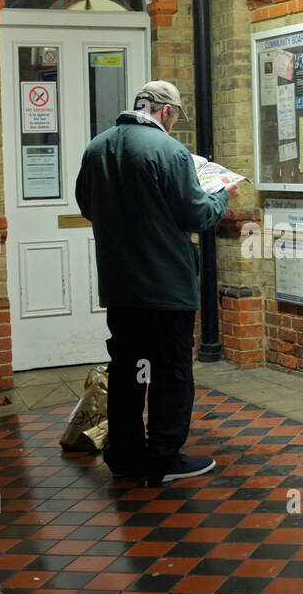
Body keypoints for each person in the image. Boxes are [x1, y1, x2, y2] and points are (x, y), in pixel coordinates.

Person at [76, 80, 239, 485]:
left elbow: (86, 205)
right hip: (167, 287)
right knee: (171, 372)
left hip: (120, 286)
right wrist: (222, 194)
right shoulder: (170, 151)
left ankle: (125, 455)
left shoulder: (97, 147)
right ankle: (164, 458)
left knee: (128, 370)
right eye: (175, 117)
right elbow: (197, 215)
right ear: (166, 112)